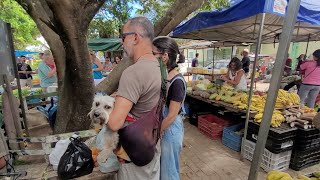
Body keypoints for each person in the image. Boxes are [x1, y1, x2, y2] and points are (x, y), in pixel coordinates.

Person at [107, 16, 161, 180]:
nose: (122, 43)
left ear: (135, 37)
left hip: (134, 154)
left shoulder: (133, 72)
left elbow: (114, 123)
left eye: (123, 37)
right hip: (152, 146)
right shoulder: (161, 67)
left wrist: (105, 107)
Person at [152, 36, 186, 180]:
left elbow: (171, 115)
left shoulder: (177, 82)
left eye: (154, 54)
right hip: (164, 126)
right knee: (163, 168)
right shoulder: (164, 76)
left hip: (170, 128)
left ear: (164, 56)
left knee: (169, 171)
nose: (152, 57)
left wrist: (158, 131)